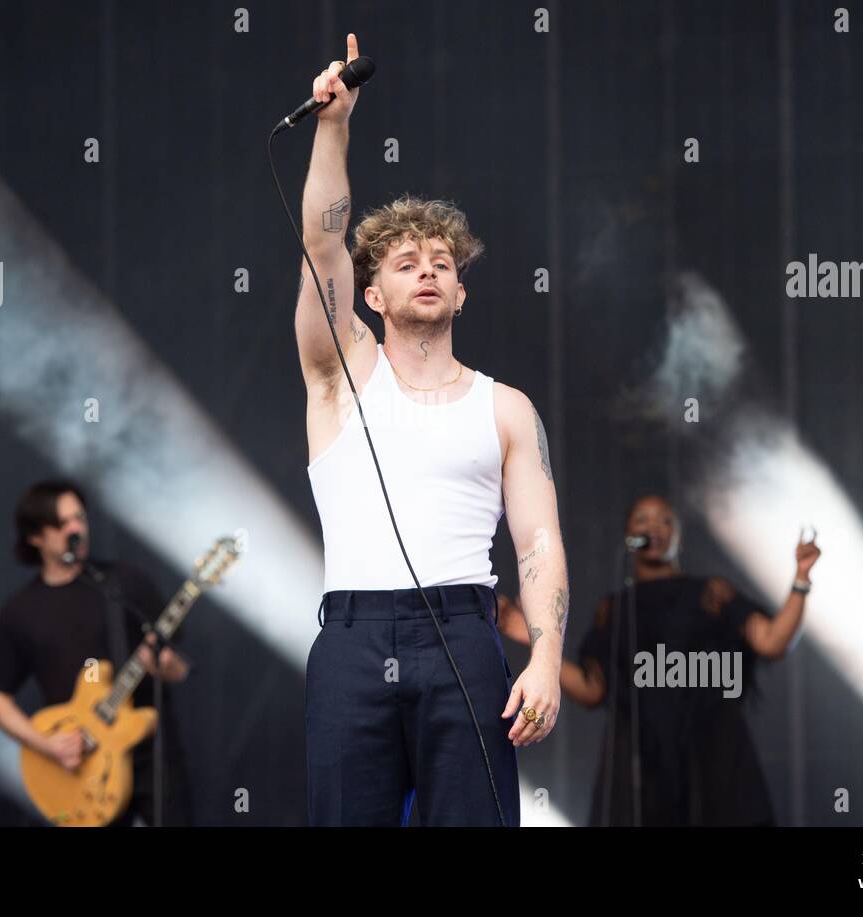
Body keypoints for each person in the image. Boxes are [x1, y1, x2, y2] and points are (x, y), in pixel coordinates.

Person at [296, 33, 568, 827]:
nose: (427, 268)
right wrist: (335, 126)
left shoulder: (506, 407)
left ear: (460, 293)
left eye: (442, 261)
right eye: (406, 260)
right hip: (351, 635)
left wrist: (545, 659)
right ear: (371, 294)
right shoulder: (341, 371)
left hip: (462, 630)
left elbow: (540, 544)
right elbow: (321, 243)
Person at [499, 494, 819, 825]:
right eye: (643, 520)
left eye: (664, 520)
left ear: (678, 537)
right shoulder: (616, 609)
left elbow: (772, 641)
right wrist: (532, 638)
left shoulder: (711, 593)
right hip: (642, 760)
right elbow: (592, 689)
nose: (654, 527)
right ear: (628, 536)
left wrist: (801, 579)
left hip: (712, 751)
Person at [0, 479, 192, 826]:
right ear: (36, 538)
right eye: (61, 524)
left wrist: (166, 665)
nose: (75, 528)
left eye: (79, 518)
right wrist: (46, 745)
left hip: (150, 753)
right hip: (82, 766)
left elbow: (178, 669)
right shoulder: (21, 611)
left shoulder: (125, 582)